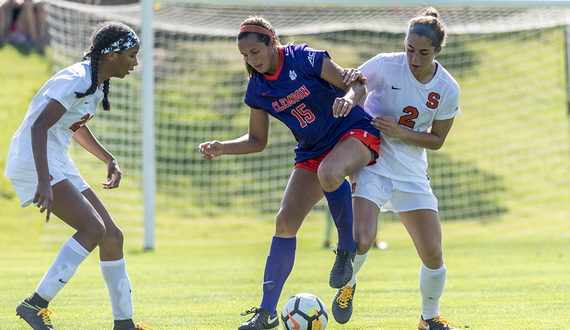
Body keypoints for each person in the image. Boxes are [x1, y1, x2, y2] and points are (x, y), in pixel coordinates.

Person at [198, 16, 380, 330]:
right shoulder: (257, 89)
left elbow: (355, 83)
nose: (251, 60)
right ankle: (266, 313)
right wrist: (223, 147)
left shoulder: (302, 57)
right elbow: (257, 140)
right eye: (245, 56)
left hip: (353, 132)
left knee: (330, 171)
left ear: (273, 42)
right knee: (284, 221)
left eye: (255, 51)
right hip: (313, 149)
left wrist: (347, 100)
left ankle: (346, 249)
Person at [4, 21, 152, 330]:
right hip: (34, 160)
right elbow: (39, 126)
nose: (136, 63)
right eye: (132, 55)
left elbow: (74, 124)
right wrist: (44, 182)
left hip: (54, 159)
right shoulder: (77, 78)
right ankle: (34, 305)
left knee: (112, 236)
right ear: (111, 54)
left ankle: (124, 324)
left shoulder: (92, 81)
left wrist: (108, 158)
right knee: (92, 229)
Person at [332, 7, 461, 330]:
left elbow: (437, 140)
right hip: (372, 162)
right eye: (409, 49)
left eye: (423, 53)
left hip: (411, 171)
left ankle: (429, 317)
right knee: (362, 240)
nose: (414, 59)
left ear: (438, 52)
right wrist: (349, 99)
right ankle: (348, 286)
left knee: (433, 254)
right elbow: (357, 85)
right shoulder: (386, 64)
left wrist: (401, 132)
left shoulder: (447, 88)